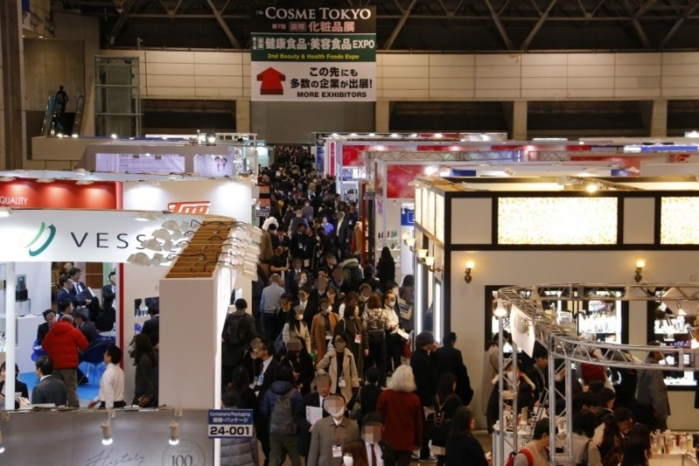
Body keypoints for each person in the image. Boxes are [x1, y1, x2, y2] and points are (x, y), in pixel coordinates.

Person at [376, 365, 423, 466]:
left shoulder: (385, 395)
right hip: (406, 442)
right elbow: (418, 423)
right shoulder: (414, 399)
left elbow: (378, 418)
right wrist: (419, 442)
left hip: (387, 439)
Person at [42, 314, 89, 408]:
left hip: (55, 366)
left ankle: (59, 408)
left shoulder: (52, 331)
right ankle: (73, 409)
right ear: (71, 322)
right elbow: (85, 345)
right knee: (71, 389)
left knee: (57, 389)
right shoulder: (74, 331)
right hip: (69, 366)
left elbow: (44, 346)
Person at [260, 366, 303, 466]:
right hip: (291, 431)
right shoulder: (295, 393)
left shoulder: (269, 392)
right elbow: (300, 411)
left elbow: (264, 411)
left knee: (274, 457)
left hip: (274, 430)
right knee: (295, 456)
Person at [307, 394, 360, 466]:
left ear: (345, 407)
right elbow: (313, 452)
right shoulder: (319, 425)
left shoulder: (353, 427)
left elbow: (356, 452)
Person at [410, 331, 438, 462]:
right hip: (423, 397)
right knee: (424, 426)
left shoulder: (417, 356)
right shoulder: (421, 358)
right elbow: (424, 381)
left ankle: (420, 450)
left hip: (420, 395)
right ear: (427, 343)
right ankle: (424, 452)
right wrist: (428, 399)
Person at [295, 373, 332, 460]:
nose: (323, 389)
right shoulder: (308, 399)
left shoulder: (336, 399)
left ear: (330, 386)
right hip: (310, 439)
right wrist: (309, 427)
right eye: (320, 386)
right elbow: (297, 416)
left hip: (329, 439)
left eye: (325, 386)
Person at [429, 373, 463, 466]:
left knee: (440, 459)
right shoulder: (455, 399)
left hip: (437, 432)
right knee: (451, 458)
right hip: (450, 432)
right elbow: (459, 416)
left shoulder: (435, 398)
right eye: (454, 383)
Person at [222, 298, 257, 387]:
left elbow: (223, 332)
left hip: (229, 349)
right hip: (243, 349)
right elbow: (253, 334)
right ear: (246, 306)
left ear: (236, 306)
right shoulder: (249, 318)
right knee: (241, 370)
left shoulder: (229, 317)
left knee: (229, 371)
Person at [221, 388, 260, 466]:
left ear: (222, 402)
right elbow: (253, 445)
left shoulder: (216, 420)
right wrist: (256, 463)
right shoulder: (245, 418)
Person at [316, 334, 360, 403]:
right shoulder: (330, 355)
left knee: (344, 404)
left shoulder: (350, 355)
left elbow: (354, 372)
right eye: (337, 341)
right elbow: (319, 367)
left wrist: (355, 385)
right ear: (334, 343)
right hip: (332, 386)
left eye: (341, 341)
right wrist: (325, 375)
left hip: (346, 386)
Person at [636, 342, 670, 431]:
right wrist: (660, 412)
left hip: (643, 409)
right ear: (656, 352)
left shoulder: (643, 364)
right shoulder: (655, 369)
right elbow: (656, 392)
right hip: (653, 412)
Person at [334, 294, 369, 378]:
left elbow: (364, 333)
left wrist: (366, 347)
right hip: (348, 348)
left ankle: (358, 381)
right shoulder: (342, 322)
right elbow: (337, 337)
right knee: (348, 370)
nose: (358, 311)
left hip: (359, 349)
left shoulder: (358, 320)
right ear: (351, 311)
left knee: (358, 369)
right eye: (356, 310)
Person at [435, 332, 473, 406]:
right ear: (452, 341)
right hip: (452, 382)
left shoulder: (437, 351)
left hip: (439, 383)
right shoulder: (456, 353)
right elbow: (460, 369)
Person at [363, 293, 390, 385]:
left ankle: (369, 381)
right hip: (381, 340)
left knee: (369, 362)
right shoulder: (384, 312)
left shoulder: (366, 313)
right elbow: (387, 326)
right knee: (381, 363)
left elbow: (364, 327)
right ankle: (382, 382)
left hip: (370, 340)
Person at [88, 344, 126, 409]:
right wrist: (95, 400)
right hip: (120, 404)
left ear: (109, 358)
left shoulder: (108, 373)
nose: (104, 355)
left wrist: (109, 411)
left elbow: (109, 394)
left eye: (105, 354)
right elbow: (106, 391)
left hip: (109, 406)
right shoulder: (120, 371)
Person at [131, 333, 158, 407]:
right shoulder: (150, 357)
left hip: (142, 394)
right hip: (145, 393)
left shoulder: (143, 360)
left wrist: (149, 395)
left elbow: (147, 378)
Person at [312, 297, 340, 366]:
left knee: (333, 361)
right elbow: (312, 333)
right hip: (321, 342)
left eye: (329, 304)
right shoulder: (316, 318)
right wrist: (313, 346)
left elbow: (340, 330)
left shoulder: (335, 316)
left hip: (332, 342)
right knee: (322, 361)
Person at [261, 274, 286, 340]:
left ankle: (267, 344)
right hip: (277, 313)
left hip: (266, 313)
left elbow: (262, 303)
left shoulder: (265, 289)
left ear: (271, 279)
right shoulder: (281, 290)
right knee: (276, 331)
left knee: (267, 331)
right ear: (279, 280)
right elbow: (282, 303)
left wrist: (262, 312)